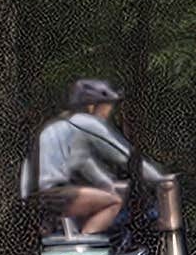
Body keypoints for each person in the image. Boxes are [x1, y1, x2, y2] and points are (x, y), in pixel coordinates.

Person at [28, 77, 166, 241]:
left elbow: (84, 162)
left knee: (103, 199)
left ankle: (85, 242)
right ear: (92, 106)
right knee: (113, 203)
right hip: (55, 192)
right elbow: (124, 156)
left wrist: (108, 184)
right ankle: (85, 251)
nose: (109, 112)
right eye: (107, 106)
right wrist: (160, 179)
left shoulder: (64, 124)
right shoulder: (86, 122)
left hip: (40, 194)